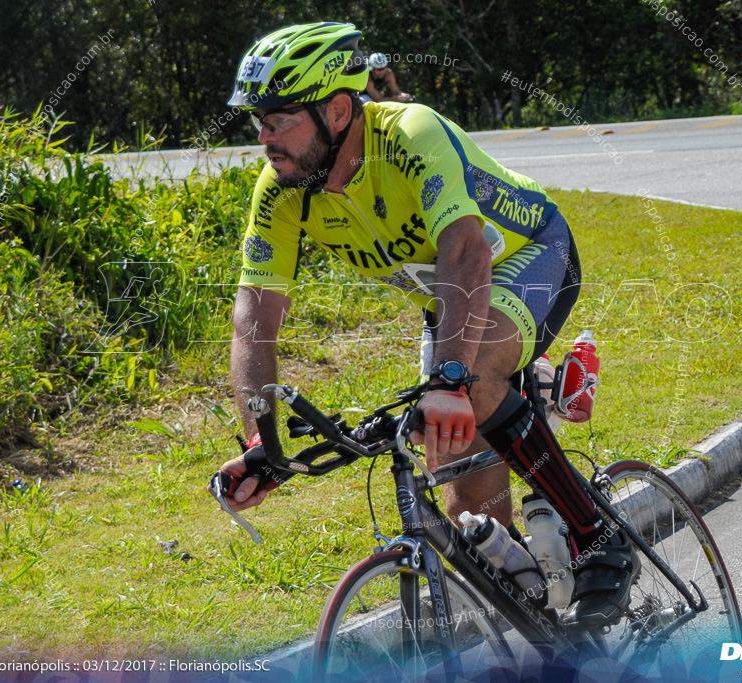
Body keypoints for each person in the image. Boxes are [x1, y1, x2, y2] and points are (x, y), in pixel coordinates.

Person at [219, 21, 638, 627]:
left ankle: (600, 537)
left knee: (474, 378)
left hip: (527, 254)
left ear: (338, 110)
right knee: (469, 502)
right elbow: (253, 318)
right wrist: (263, 442)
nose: (264, 137)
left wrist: (450, 377)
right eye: (257, 121)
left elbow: (467, 253)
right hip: (451, 297)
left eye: (279, 118)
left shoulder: (410, 133)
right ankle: (548, 625)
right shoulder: (282, 191)